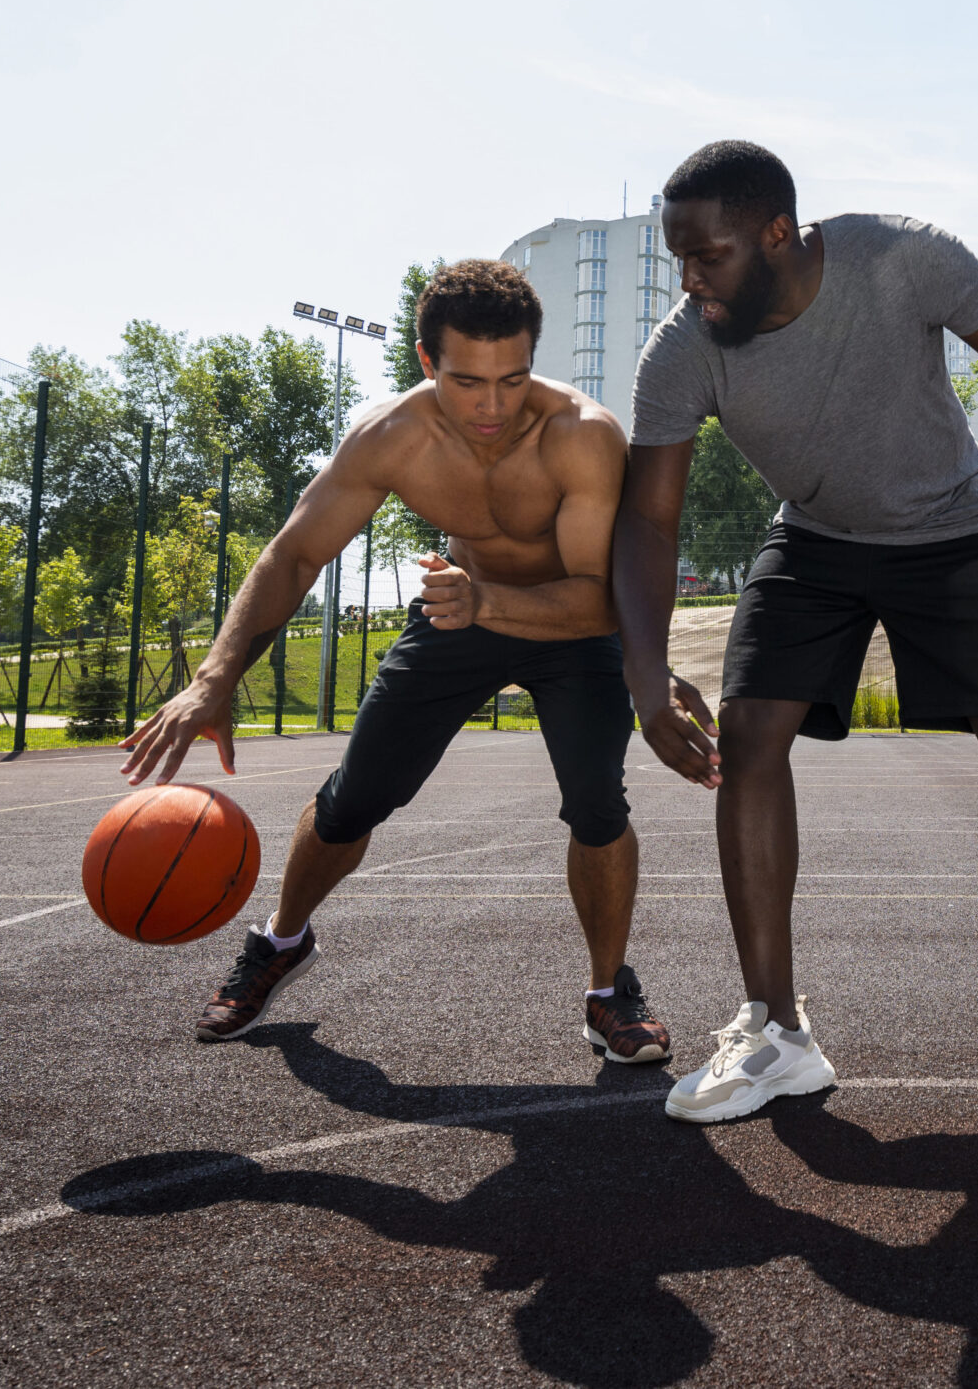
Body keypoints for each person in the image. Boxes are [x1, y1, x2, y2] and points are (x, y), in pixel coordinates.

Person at [612, 139, 978, 1124]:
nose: (690, 280)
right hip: (817, 538)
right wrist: (646, 682)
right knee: (749, 729)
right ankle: (776, 1032)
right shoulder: (683, 349)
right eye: (678, 260)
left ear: (777, 233)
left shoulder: (902, 258)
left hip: (953, 523)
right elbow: (647, 521)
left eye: (711, 255)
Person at [120, 260, 688, 1061]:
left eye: (513, 378)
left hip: (566, 625)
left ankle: (607, 994)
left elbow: (602, 597)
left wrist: (490, 602)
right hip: (458, 616)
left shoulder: (582, 436)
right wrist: (214, 679)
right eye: (466, 381)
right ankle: (282, 941)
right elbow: (292, 556)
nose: (492, 405)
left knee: (598, 804)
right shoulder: (392, 437)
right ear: (427, 362)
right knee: (354, 800)